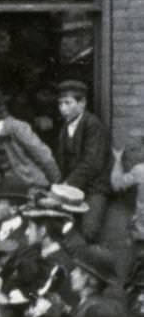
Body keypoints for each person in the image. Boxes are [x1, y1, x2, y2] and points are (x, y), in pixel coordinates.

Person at [51, 78, 111, 240]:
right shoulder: (65, 128)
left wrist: (68, 184)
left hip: (94, 188)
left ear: (82, 102)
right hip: (72, 188)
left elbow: (92, 163)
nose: (63, 108)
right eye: (60, 104)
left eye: (68, 103)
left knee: (89, 230)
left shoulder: (93, 125)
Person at [0, 85, 59, 193]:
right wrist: (56, 181)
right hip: (21, 187)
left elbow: (43, 156)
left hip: (17, 188)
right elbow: (44, 156)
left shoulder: (5, 130)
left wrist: (55, 183)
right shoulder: (14, 128)